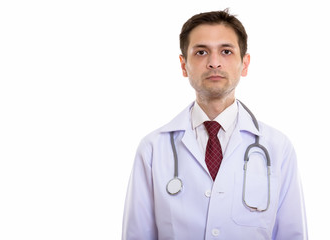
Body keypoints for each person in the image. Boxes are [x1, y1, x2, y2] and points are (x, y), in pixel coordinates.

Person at [122, 9, 307, 240]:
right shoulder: (152, 148)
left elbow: (292, 235)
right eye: (201, 52)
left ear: (245, 63)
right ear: (183, 65)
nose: (214, 63)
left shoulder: (278, 148)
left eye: (226, 51)